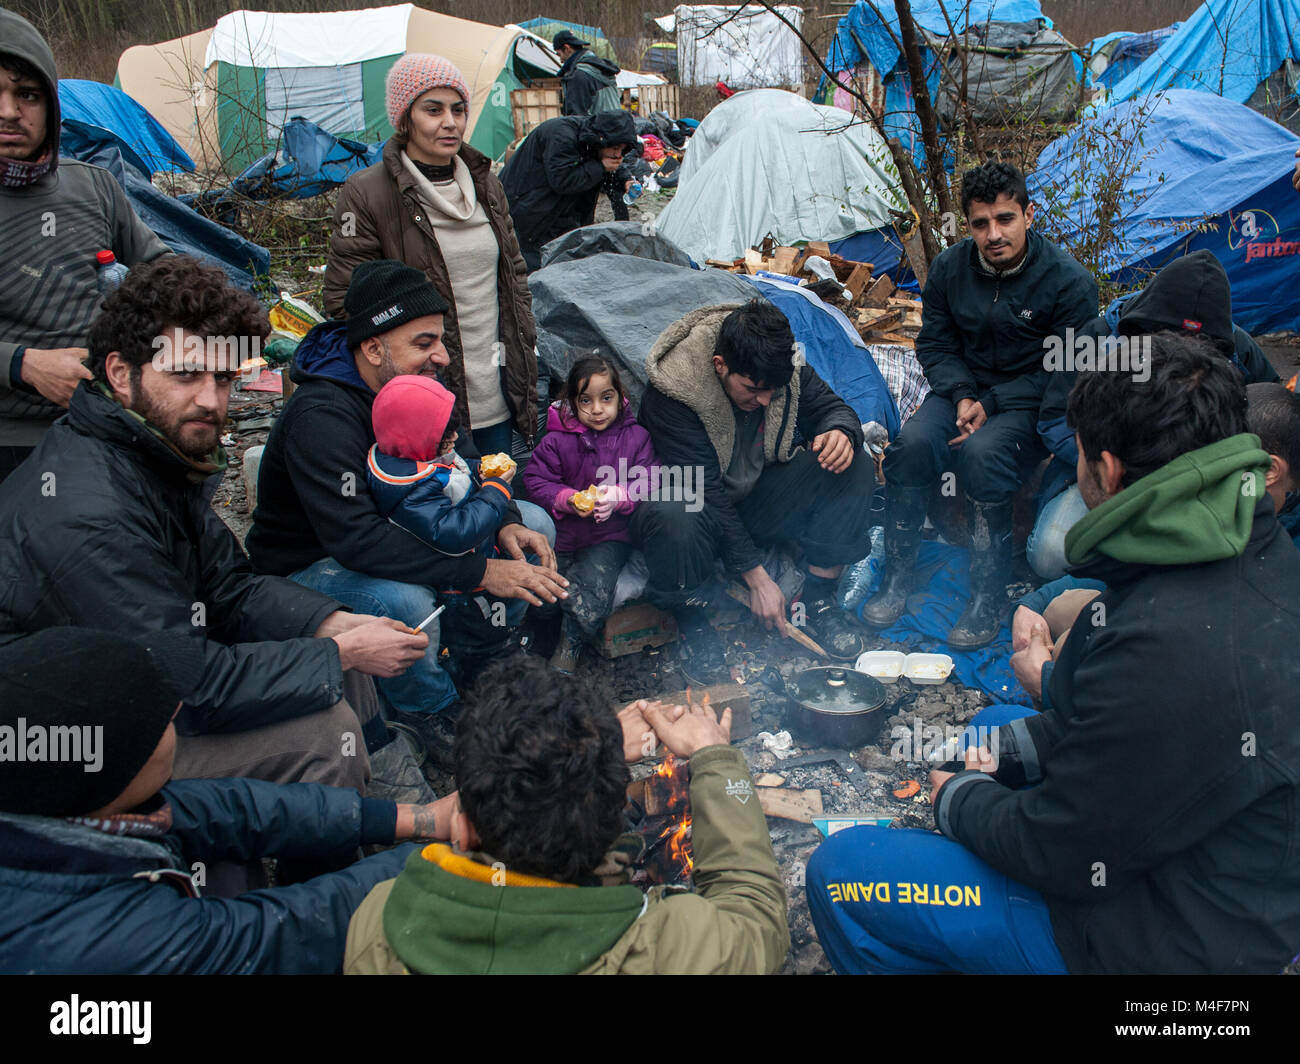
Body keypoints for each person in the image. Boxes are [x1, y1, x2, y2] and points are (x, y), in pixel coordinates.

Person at [808, 332, 1300, 974]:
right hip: (1196, 859)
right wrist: (1008, 752)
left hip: (1152, 944)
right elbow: (1123, 735)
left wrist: (956, 800)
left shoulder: (1171, 642)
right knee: (991, 732)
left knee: (843, 873)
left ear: (1109, 471)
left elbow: (1064, 853)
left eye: (1081, 460)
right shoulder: (1244, 548)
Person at [0, 255, 432, 800]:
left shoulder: (150, 453)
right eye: (184, 374)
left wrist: (330, 625)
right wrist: (338, 652)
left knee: (336, 641)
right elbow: (183, 684)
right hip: (63, 741)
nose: (211, 400)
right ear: (119, 373)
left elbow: (227, 588)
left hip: (149, 682)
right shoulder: (89, 509)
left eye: (223, 378)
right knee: (326, 734)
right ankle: (340, 870)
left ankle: (392, 809)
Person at [0, 627, 463, 974]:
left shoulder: (64, 804)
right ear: (114, 771)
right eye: (161, 715)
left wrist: (420, 820)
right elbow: (284, 932)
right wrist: (444, 862)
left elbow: (228, 809)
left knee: (227, 861)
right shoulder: (107, 940)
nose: (178, 709)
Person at [247, 261, 565, 747]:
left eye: (439, 340)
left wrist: (505, 521)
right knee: (402, 601)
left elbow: (472, 460)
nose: (440, 355)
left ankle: (478, 656)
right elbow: (359, 540)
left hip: (417, 527)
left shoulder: (422, 386)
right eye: (423, 343)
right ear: (373, 347)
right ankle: (427, 708)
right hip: (317, 562)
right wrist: (480, 572)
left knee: (536, 523)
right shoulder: (322, 417)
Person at [343, 655, 789, 974]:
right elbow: (756, 919)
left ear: (460, 828)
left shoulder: (375, 920)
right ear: (613, 832)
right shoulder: (666, 947)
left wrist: (594, 742)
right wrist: (716, 758)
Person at [862, 161, 1098, 647]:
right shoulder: (951, 269)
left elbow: (1063, 372)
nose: (994, 234)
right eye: (980, 223)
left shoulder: (1068, 283)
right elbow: (934, 345)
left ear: (1029, 215)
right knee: (909, 447)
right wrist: (966, 393)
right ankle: (898, 578)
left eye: (1005, 219)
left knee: (983, 454)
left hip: (1029, 403)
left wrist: (991, 401)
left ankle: (986, 595)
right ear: (967, 224)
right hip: (958, 391)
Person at [632, 299, 875, 682]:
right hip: (696, 511)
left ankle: (819, 602)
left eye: (772, 391)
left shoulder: (780, 368)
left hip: (754, 501)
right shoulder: (675, 390)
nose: (764, 400)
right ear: (720, 366)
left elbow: (832, 407)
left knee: (851, 462)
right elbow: (706, 491)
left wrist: (841, 431)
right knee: (676, 509)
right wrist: (758, 579)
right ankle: (695, 626)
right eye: (753, 389)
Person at [324, 54, 537, 459]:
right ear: (405, 118)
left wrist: (523, 345)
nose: (450, 122)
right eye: (433, 110)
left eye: (458, 110)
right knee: (442, 505)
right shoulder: (367, 193)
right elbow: (344, 301)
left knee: (503, 500)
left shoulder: (487, 185)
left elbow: (516, 275)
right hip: (424, 391)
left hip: (496, 386)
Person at [1027, 249, 1279, 579]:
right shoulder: (1099, 338)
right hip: (1106, 474)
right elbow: (1054, 419)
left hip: (1201, 481)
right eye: (1167, 340)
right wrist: (1115, 461)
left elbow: (1269, 409)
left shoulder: (1235, 346)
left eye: (1197, 347)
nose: (1181, 354)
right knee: (1052, 553)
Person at [0, 9, 171, 481]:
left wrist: (227, 325)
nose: (9, 111)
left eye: (27, 95)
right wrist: (24, 364)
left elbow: (160, 269)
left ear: (51, 106)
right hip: (12, 438)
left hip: (108, 417)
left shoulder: (93, 186)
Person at [523, 356, 658, 673]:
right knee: (547, 589)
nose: (597, 409)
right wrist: (566, 498)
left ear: (619, 397)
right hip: (563, 534)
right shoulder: (557, 441)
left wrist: (620, 495)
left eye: (606, 398)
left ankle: (570, 645)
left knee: (591, 590)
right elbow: (535, 480)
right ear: (572, 401)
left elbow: (651, 478)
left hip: (609, 536)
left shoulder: (636, 438)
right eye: (586, 400)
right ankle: (536, 635)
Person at [500, 110, 638, 271]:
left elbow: (608, 166)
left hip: (559, 209)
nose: (617, 154)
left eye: (623, 150)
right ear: (602, 140)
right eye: (615, 148)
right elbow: (562, 180)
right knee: (533, 264)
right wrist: (600, 167)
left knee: (565, 257)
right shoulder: (562, 135)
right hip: (528, 206)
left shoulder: (594, 139)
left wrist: (625, 179)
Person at [553, 30, 623, 117]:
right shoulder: (601, 68)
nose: (561, 60)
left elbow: (576, 119)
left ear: (567, 49)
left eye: (559, 54)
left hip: (597, 129)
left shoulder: (578, 76)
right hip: (617, 126)